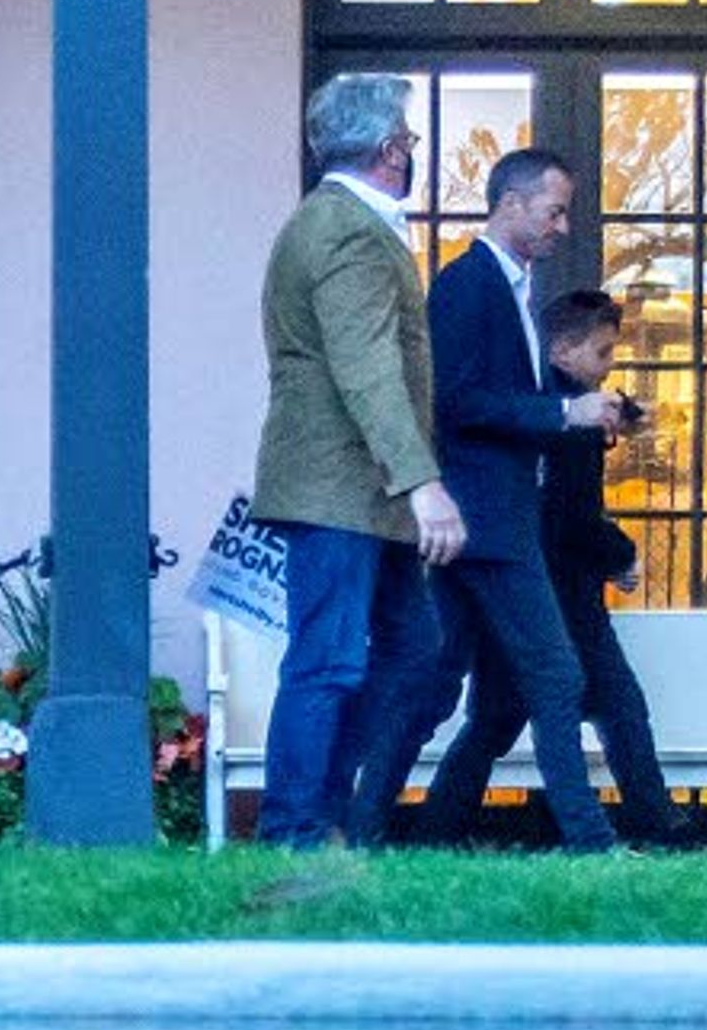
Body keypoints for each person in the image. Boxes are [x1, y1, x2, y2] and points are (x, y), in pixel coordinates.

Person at [348, 152, 630, 852]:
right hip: (488, 524)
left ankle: (363, 832)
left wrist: (580, 411)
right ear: (510, 203)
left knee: (431, 687)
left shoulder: (501, 286)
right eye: (554, 210)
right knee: (555, 674)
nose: (564, 225)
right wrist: (565, 415)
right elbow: (458, 402)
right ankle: (591, 841)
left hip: (481, 521)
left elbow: (492, 401)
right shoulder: (468, 286)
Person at [248, 74, 466, 849]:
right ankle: (297, 829)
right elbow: (366, 365)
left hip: (360, 491)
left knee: (412, 650)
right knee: (330, 661)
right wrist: (424, 483)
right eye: (408, 138)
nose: (410, 151)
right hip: (338, 489)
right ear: (389, 150)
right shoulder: (346, 229)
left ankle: (324, 817)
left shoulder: (345, 223)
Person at [416, 291, 683, 847]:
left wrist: (621, 417)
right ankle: (654, 828)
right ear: (564, 349)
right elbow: (574, 517)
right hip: (566, 598)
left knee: (493, 719)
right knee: (620, 708)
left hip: (515, 589)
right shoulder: (572, 421)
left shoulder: (543, 407)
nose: (611, 365)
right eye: (604, 351)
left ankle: (436, 829)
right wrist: (623, 555)